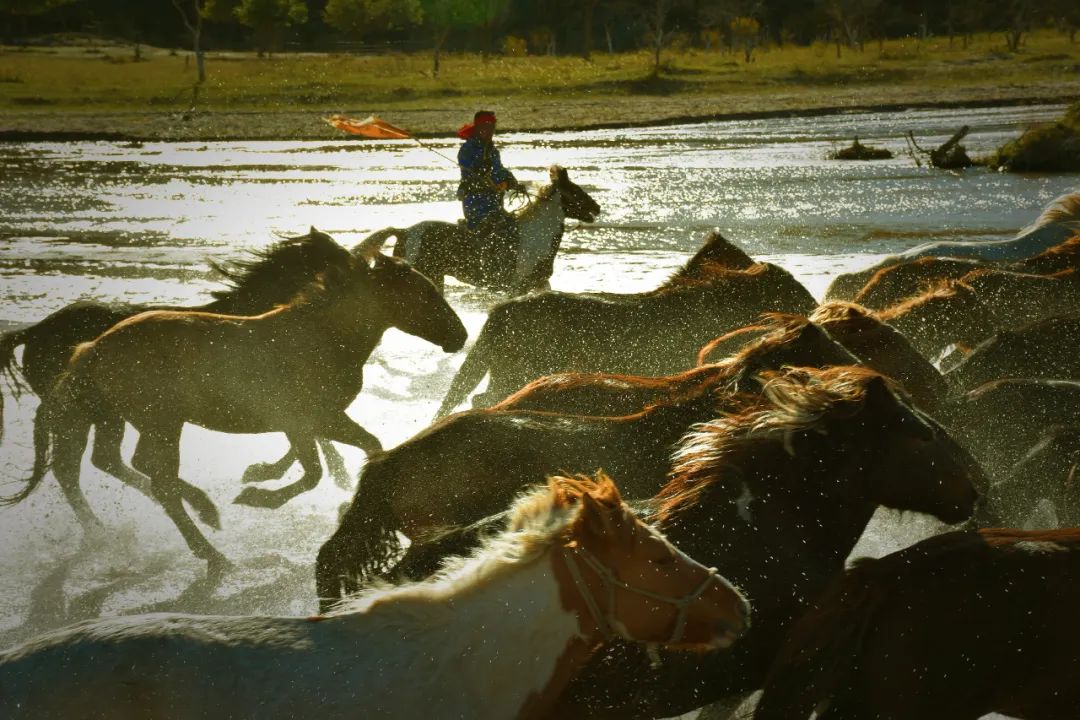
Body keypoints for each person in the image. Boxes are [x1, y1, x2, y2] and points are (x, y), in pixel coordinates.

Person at [456, 110, 524, 286]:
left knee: (513, 226)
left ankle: (507, 267)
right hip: (475, 201)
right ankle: (490, 270)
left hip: (494, 202)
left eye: (491, 127)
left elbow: (499, 171)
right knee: (497, 227)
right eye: (484, 126)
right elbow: (470, 171)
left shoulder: (493, 151)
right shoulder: (467, 149)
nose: (488, 130)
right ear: (477, 127)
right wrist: (482, 172)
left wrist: (512, 181)